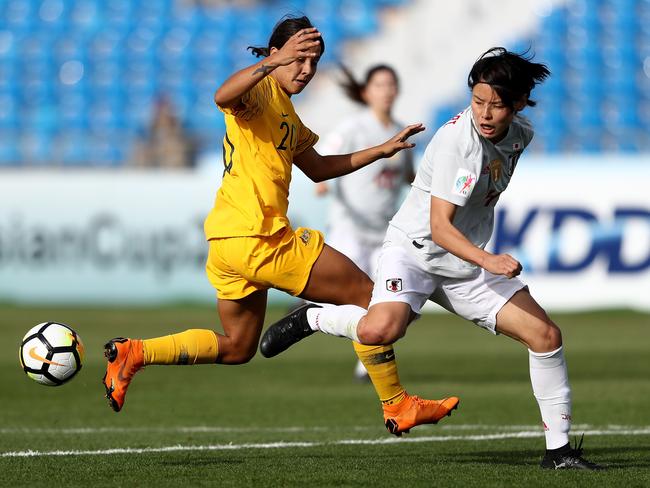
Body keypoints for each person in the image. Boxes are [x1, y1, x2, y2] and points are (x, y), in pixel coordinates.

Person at [102, 15, 458, 437]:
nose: (306, 70)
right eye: (299, 59)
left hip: (228, 244)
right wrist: (273, 64)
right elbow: (222, 94)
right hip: (261, 237)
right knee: (370, 297)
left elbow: (321, 168)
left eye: (314, 62)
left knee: (237, 347)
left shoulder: (288, 112)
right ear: (276, 55)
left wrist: (380, 151)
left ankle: (135, 353)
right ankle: (396, 403)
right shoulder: (257, 92)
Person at [260, 47, 602, 469]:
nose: (485, 113)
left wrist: (478, 258)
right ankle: (313, 316)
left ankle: (559, 453)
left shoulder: (520, 134)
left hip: (463, 265)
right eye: (478, 102)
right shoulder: (461, 144)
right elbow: (440, 227)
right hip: (415, 252)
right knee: (380, 329)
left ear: (517, 105)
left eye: (497, 105)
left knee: (546, 338)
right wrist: (489, 260)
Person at [315, 64, 415, 380]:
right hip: (350, 227)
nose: (386, 90)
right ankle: (313, 311)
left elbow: (409, 177)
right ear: (366, 92)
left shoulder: (400, 132)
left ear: (397, 91)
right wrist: (322, 182)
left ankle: (365, 363)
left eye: (390, 84)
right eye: (379, 84)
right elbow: (323, 156)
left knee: (380, 301)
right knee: (358, 298)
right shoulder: (352, 128)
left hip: (384, 230)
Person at [130, 96, 197, 169]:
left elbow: (186, 145)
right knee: (141, 154)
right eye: (161, 112)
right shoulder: (150, 128)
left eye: (166, 111)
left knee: (175, 152)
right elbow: (144, 144)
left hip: (171, 162)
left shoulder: (179, 128)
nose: (163, 114)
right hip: (155, 158)